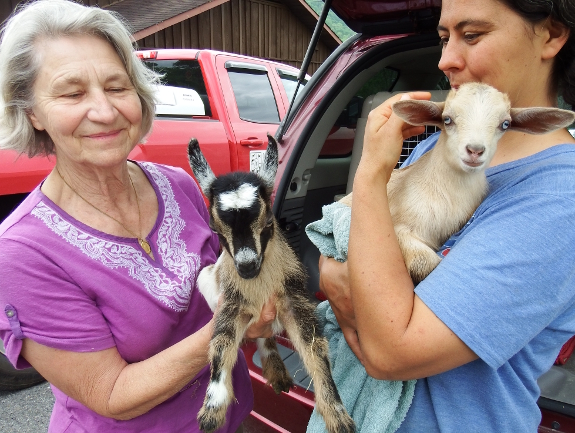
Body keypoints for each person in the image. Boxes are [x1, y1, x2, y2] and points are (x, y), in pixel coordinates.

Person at [0, 1, 276, 431]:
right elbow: (113, 395)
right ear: (32, 111)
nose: (106, 112)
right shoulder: (21, 254)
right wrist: (233, 322)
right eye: (72, 93)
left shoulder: (178, 184)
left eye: (117, 87)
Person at [318, 0, 575, 431]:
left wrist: (370, 175)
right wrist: (333, 270)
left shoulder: (559, 198)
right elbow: (340, 241)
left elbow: (390, 352)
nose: (446, 60)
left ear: (550, 35)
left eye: (472, 36)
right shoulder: (436, 147)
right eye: (444, 38)